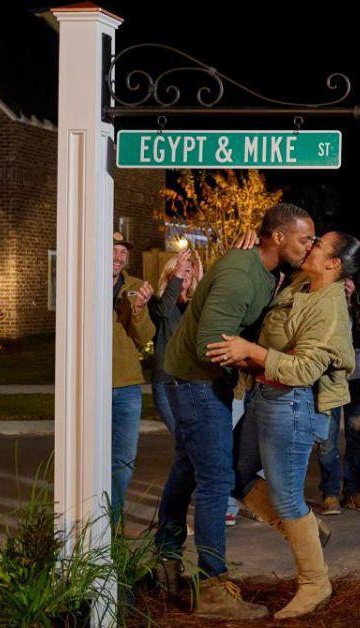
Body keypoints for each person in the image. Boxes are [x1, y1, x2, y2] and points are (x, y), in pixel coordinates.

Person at [154, 202, 314, 619]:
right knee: (215, 478)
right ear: (278, 237)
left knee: (187, 471)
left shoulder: (267, 270)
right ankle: (211, 588)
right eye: (304, 239)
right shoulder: (242, 276)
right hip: (196, 381)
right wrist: (262, 361)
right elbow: (212, 343)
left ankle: (165, 564)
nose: (309, 246)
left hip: (199, 381)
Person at [206, 231, 360, 619]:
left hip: (292, 404)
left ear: (333, 264)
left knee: (287, 497)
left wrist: (252, 351)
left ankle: (314, 582)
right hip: (263, 395)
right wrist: (242, 263)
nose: (310, 247)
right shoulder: (301, 284)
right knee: (234, 474)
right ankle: (308, 529)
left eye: (319, 245)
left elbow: (306, 368)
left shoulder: (329, 306)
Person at [150, 248, 245, 527]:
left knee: (191, 450)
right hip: (168, 383)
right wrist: (177, 277)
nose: (187, 274)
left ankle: (178, 525)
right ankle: (198, 514)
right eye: (181, 270)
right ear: (171, 275)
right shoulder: (162, 304)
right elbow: (162, 311)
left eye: (191, 270)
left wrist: (203, 284)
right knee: (193, 448)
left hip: (196, 382)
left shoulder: (199, 306)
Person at [316, 260, 360, 514]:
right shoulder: (329, 299)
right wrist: (341, 303)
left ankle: (354, 491)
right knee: (328, 437)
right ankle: (330, 493)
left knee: (357, 436)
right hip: (330, 376)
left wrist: (353, 304)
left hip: (358, 376)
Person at [110, 231, 154, 525]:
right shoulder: (83, 282)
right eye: (113, 250)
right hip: (91, 384)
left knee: (123, 460)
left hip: (126, 384)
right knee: (87, 457)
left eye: (123, 252)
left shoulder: (135, 288)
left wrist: (137, 310)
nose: (118, 256)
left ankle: (111, 522)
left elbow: (146, 336)